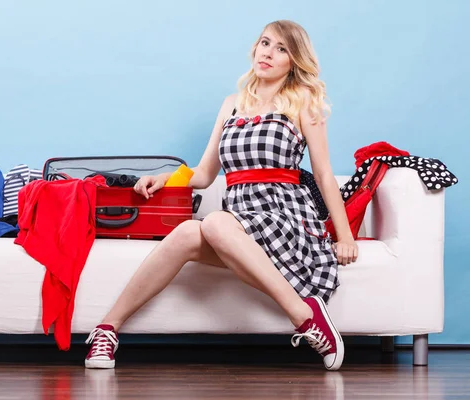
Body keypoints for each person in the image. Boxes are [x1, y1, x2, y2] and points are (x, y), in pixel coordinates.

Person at [84, 20, 358, 371]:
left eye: (281, 49)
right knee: (186, 232)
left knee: (213, 222)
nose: (268, 54)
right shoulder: (232, 104)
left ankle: (304, 317)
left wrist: (345, 236)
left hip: (285, 218)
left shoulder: (303, 101)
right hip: (237, 223)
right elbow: (203, 174)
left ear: (295, 60)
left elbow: (322, 173)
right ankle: (107, 329)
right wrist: (164, 179)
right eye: (265, 43)